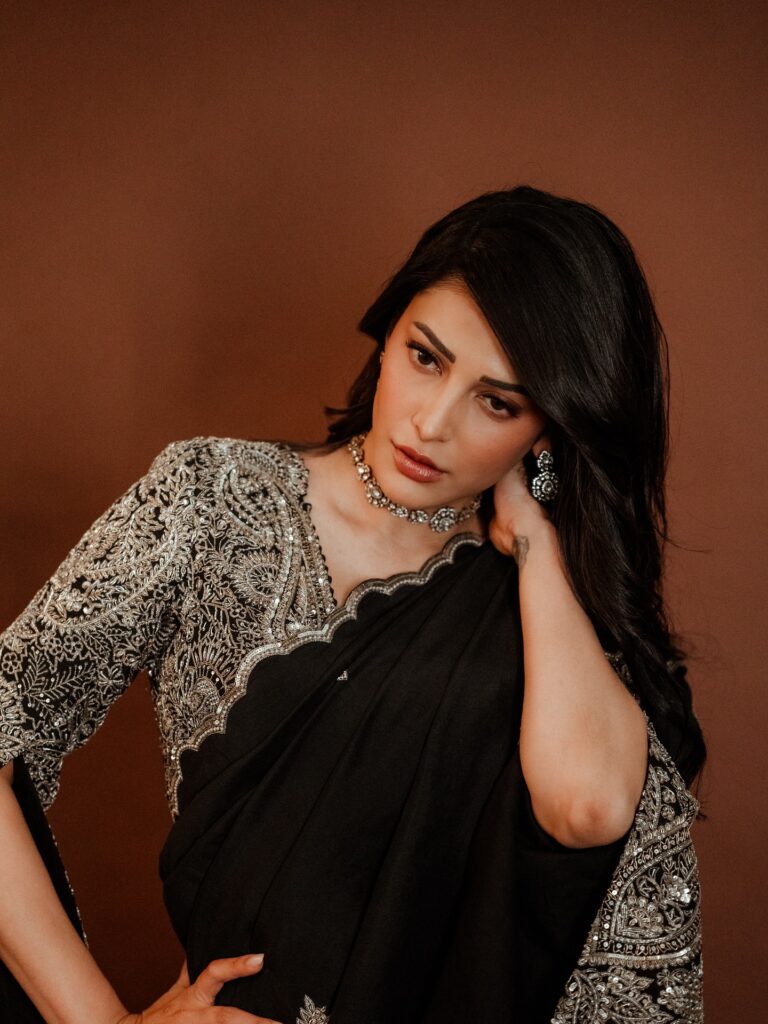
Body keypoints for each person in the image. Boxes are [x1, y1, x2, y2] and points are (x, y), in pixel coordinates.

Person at [0, 186, 706, 1024]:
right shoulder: (211, 500)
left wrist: (538, 545)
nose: (432, 423)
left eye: (499, 402)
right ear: (390, 327)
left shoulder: (549, 612)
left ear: (548, 429)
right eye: (426, 358)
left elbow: (586, 809)